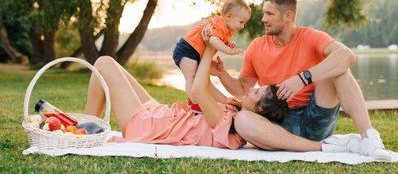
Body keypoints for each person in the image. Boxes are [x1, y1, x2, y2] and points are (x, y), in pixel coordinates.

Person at [210, 0, 392, 160]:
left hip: (315, 116)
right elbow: (243, 89)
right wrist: (221, 74)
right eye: (264, 13)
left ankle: (369, 138)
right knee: (242, 119)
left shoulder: (310, 36)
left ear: (288, 16)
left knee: (339, 68)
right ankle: (322, 147)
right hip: (276, 124)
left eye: (270, 14)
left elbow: (346, 55)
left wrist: (302, 78)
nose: (263, 19)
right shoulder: (257, 46)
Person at [84, 25, 296, 149]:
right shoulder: (233, 108)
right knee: (113, 69)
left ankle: (82, 132)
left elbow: (198, 91)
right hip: (165, 117)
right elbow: (199, 84)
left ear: (259, 109)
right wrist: (214, 69)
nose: (251, 89)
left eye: (256, 92)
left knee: (104, 63)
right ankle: (86, 126)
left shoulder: (229, 125)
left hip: (151, 128)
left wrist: (207, 50)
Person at [172, 0, 251, 112]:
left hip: (196, 52)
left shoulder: (226, 31)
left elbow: (217, 40)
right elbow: (213, 41)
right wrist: (228, 51)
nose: (242, 26)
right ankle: (195, 102)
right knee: (191, 77)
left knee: (202, 78)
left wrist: (227, 44)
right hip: (187, 49)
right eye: (241, 22)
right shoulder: (219, 24)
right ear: (228, 16)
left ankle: (201, 101)